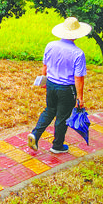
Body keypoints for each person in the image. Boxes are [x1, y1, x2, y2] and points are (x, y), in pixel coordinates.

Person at [28, 17, 91, 154]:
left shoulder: (50, 45)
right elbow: (78, 78)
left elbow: (45, 66)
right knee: (62, 116)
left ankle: (35, 135)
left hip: (51, 84)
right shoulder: (78, 53)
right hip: (66, 89)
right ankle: (57, 146)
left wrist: (44, 81)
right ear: (76, 34)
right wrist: (80, 97)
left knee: (49, 110)